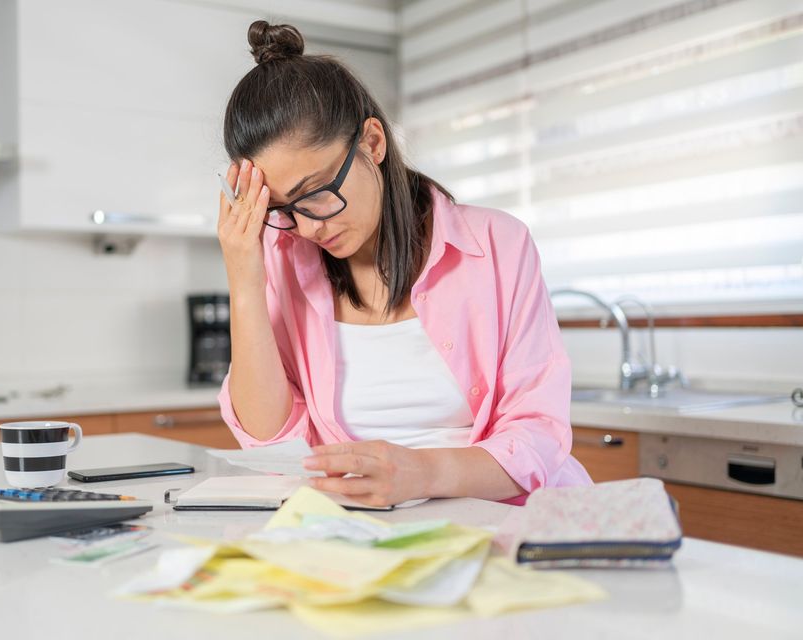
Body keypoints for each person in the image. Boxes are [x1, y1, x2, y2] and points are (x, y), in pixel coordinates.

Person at [216, 20, 592, 507]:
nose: (307, 228)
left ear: (372, 142)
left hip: (507, 521)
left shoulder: (497, 244)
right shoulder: (285, 260)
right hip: (366, 534)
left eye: (316, 194)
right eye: (282, 209)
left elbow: (539, 436)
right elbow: (269, 442)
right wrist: (244, 277)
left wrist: (424, 473)